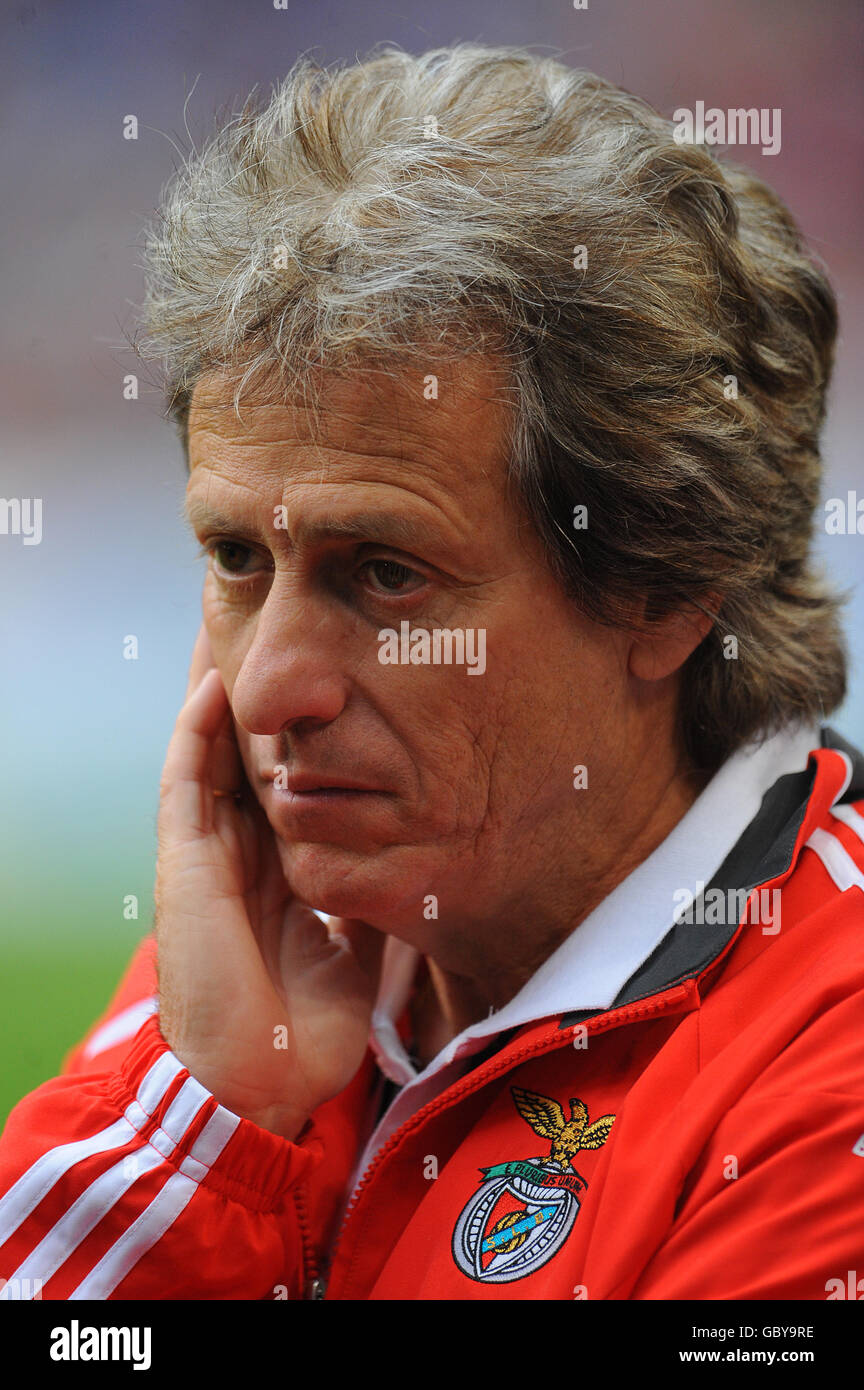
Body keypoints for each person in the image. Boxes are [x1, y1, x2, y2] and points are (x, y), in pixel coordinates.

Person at [1, 43, 862, 1301]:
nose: (266, 692)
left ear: (670, 585)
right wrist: (206, 1125)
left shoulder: (831, 1071)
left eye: (385, 574)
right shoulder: (287, 950)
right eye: (238, 557)